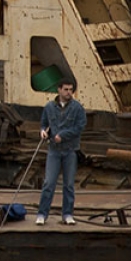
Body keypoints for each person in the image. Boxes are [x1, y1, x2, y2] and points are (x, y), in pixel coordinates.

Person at [35, 78, 86, 226]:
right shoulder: (49, 107)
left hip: (70, 151)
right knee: (49, 183)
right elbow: (44, 123)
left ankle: (67, 214)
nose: (69, 92)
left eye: (71, 90)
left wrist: (63, 136)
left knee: (69, 184)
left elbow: (79, 127)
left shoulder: (77, 108)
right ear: (59, 90)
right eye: (66, 89)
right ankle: (42, 214)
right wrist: (43, 132)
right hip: (54, 151)